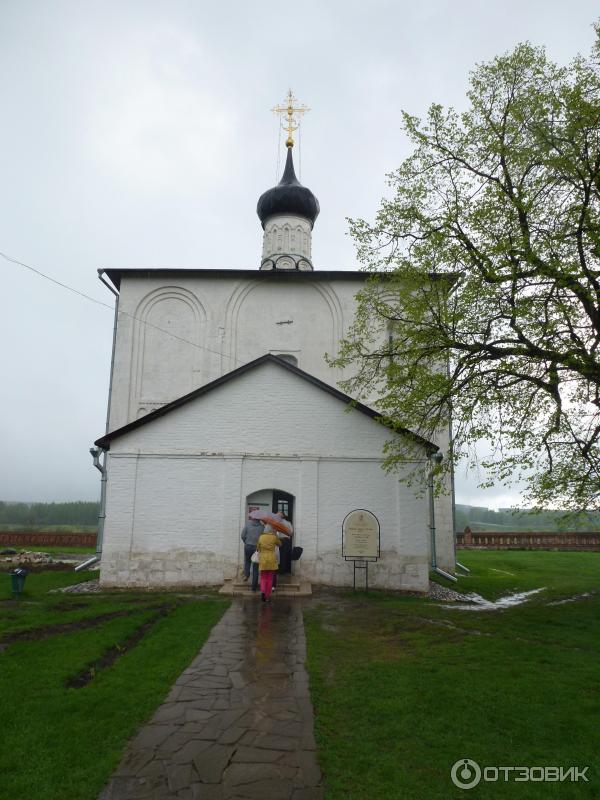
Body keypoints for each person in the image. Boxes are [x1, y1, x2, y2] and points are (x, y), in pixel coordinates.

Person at [256, 522, 282, 602]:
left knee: (263, 578)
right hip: (271, 559)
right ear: (272, 529)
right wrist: (276, 536)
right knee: (270, 579)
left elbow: (258, 548)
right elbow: (280, 544)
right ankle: (267, 596)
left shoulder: (261, 537)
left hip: (263, 559)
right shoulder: (274, 537)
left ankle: (263, 593)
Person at [240, 514, 263, 591]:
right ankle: (254, 587)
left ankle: (246, 575)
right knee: (256, 566)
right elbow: (263, 538)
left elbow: (242, 535)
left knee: (247, 561)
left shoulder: (248, 525)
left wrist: (246, 542)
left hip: (248, 546)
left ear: (253, 518)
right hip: (257, 548)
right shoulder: (262, 527)